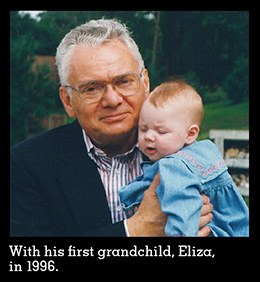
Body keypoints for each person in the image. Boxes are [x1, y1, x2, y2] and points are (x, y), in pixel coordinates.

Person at [10, 18, 213, 237]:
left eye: (124, 81)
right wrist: (135, 230)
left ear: (145, 84)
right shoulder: (26, 165)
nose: (112, 99)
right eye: (92, 88)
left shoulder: (182, 149)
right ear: (68, 101)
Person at [119, 81, 249, 236]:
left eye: (161, 131)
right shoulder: (205, 151)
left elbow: (183, 212)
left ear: (190, 134)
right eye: (143, 129)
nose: (149, 137)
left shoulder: (174, 167)